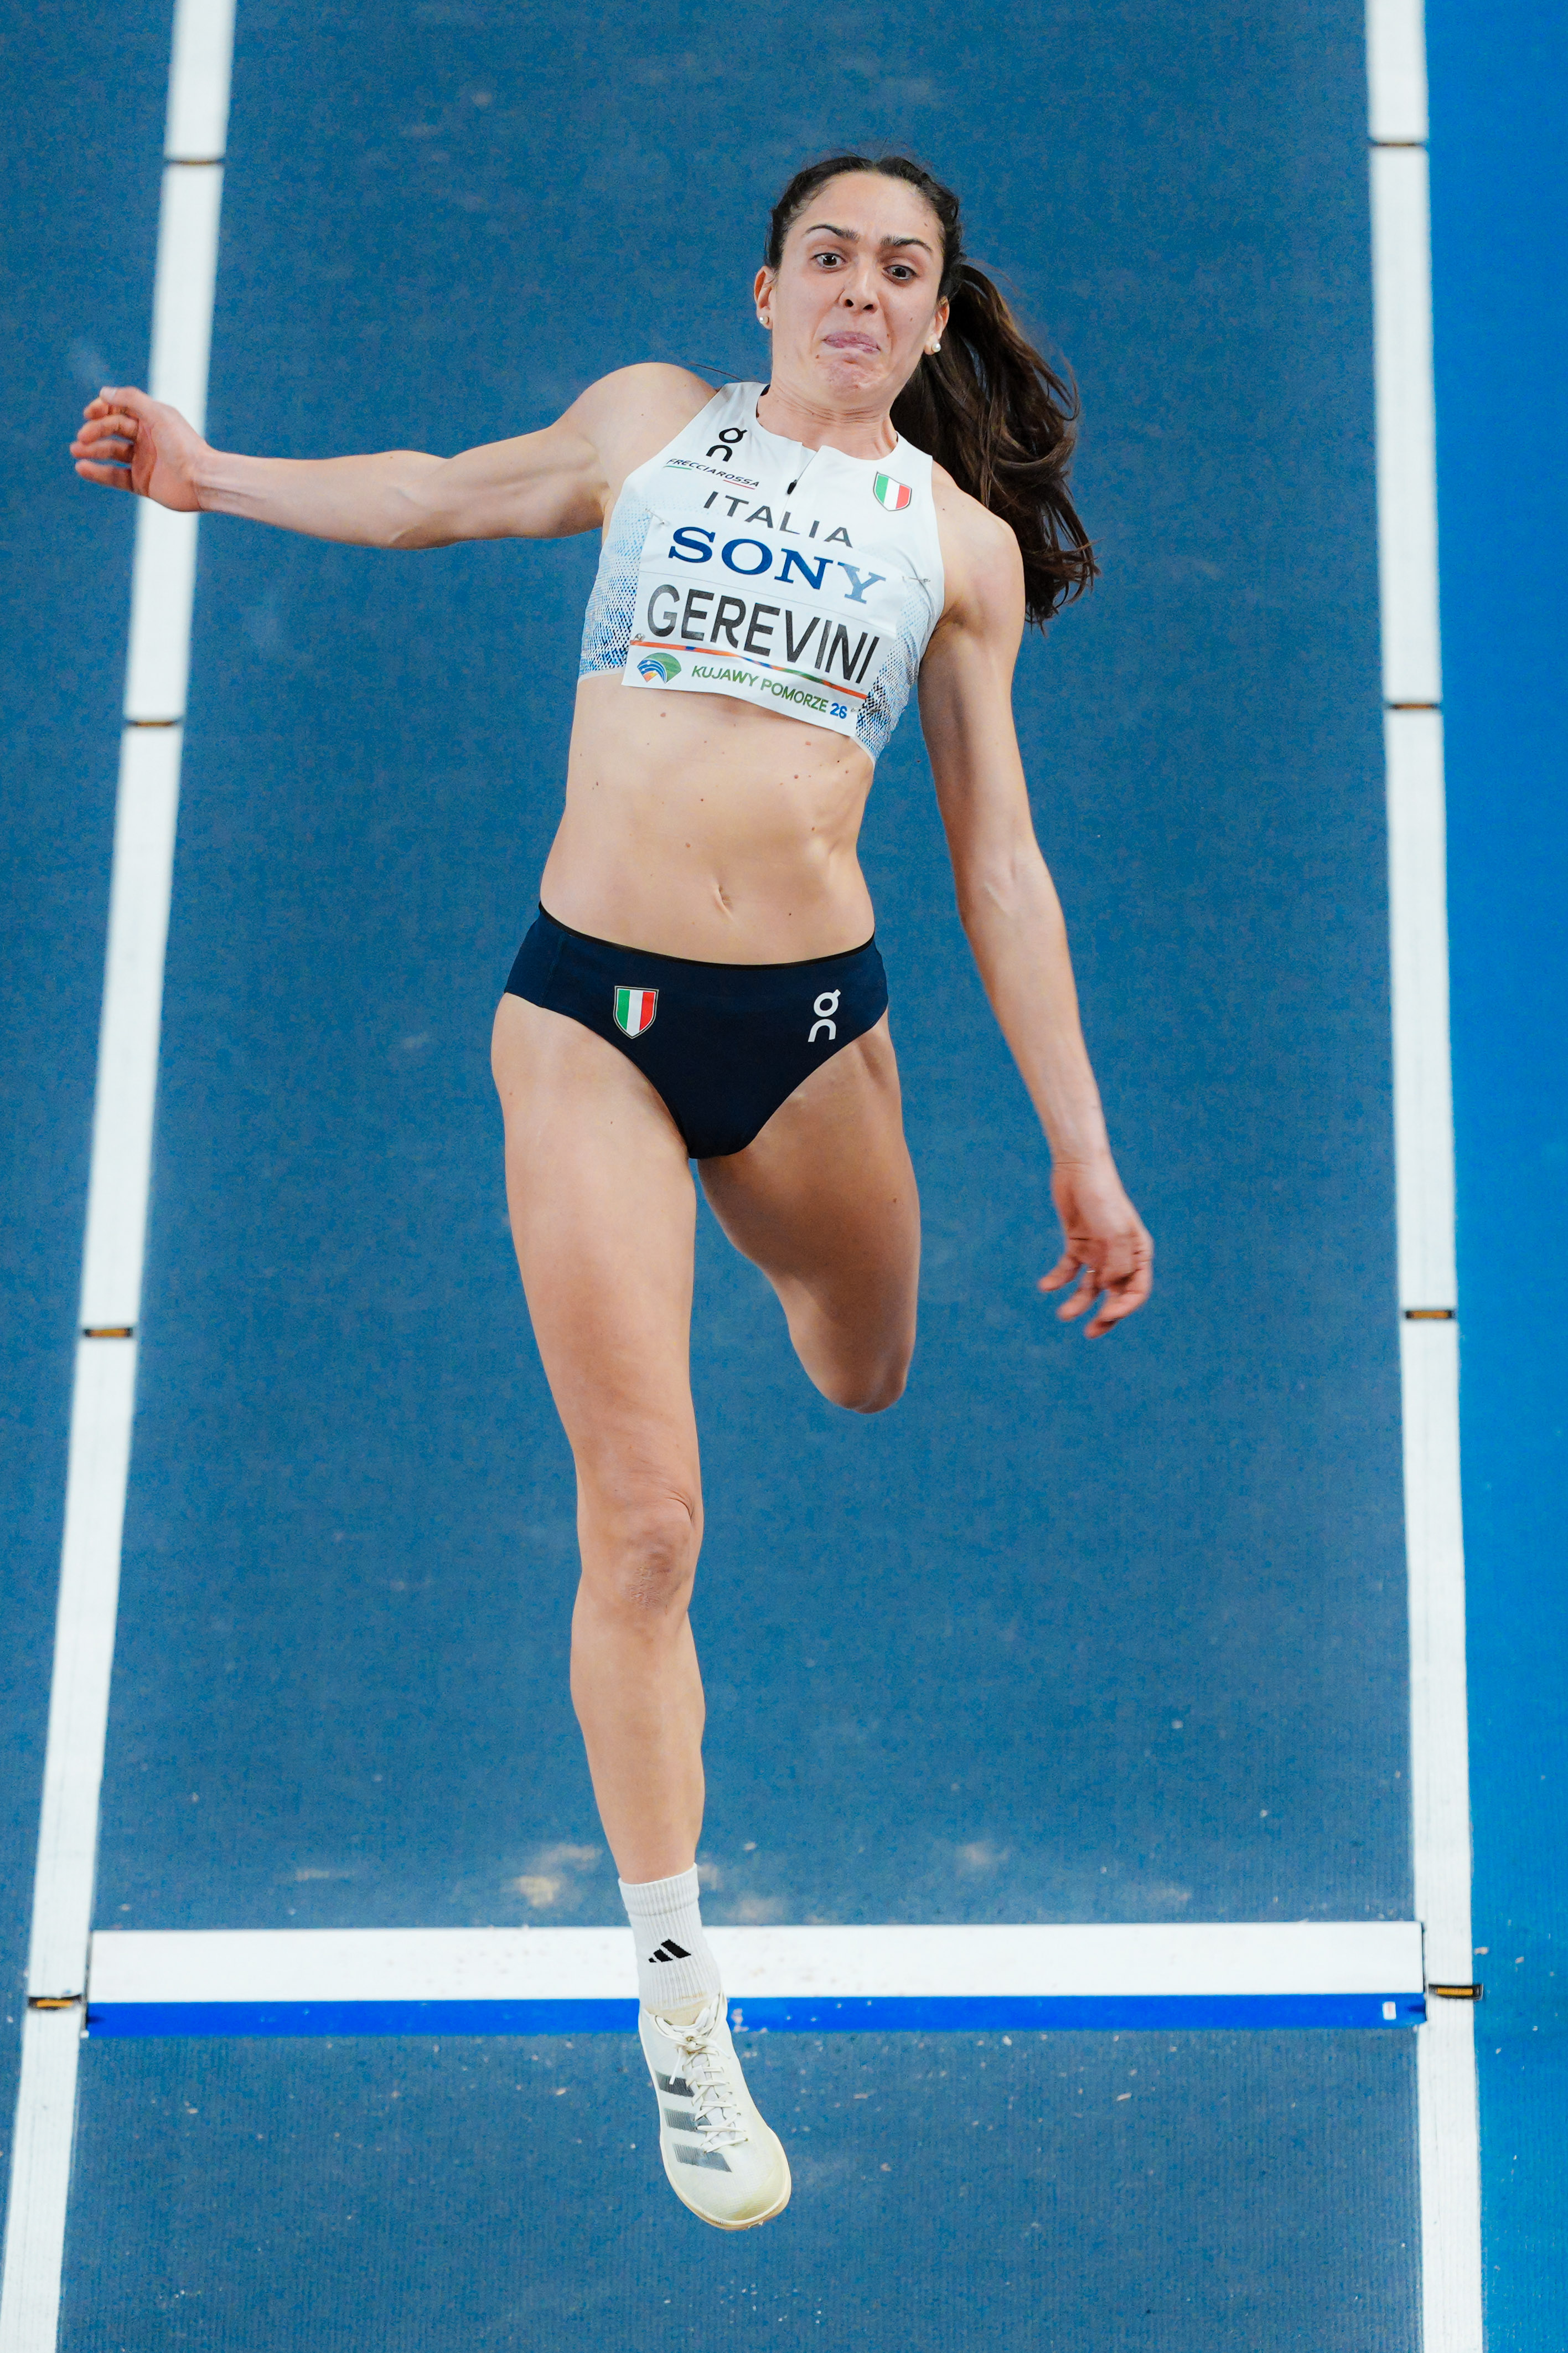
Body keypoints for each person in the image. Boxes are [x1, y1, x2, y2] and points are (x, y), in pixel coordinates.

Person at [73, 150, 1152, 2230]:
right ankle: (677, 1998)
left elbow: (997, 861)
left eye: (898, 269)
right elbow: (432, 491)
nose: (858, 290)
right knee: (645, 1516)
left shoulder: (954, 549)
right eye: (826, 257)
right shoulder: (653, 425)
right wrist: (209, 476)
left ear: (934, 319)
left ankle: (780, 1239)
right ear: (766, 291)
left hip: (809, 1031)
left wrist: (1079, 1146)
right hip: (589, 1019)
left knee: (862, 1363)